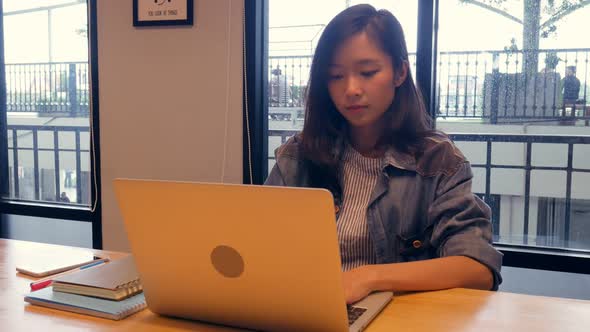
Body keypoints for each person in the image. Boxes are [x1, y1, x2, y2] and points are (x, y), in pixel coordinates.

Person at [264, 4, 502, 304]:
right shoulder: (299, 156)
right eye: (336, 76)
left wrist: (370, 277)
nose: (351, 89)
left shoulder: (437, 161)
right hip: (304, 311)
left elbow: (478, 268)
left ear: (400, 72)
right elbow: (260, 247)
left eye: (367, 72)